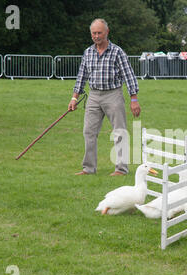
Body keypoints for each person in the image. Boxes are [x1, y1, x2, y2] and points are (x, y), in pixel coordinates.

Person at [68, 18, 140, 176]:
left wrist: (133, 99)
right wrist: (74, 98)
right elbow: (82, 76)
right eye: (93, 33)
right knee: (89, 131)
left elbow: (129, 75)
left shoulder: (117, 52)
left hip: (113, 94)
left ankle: (121, 169)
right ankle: (88, 168)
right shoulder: (88, 52)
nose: (96, 36)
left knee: (119, 131)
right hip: (93, 96)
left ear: (107, 32)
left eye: (99, 32)